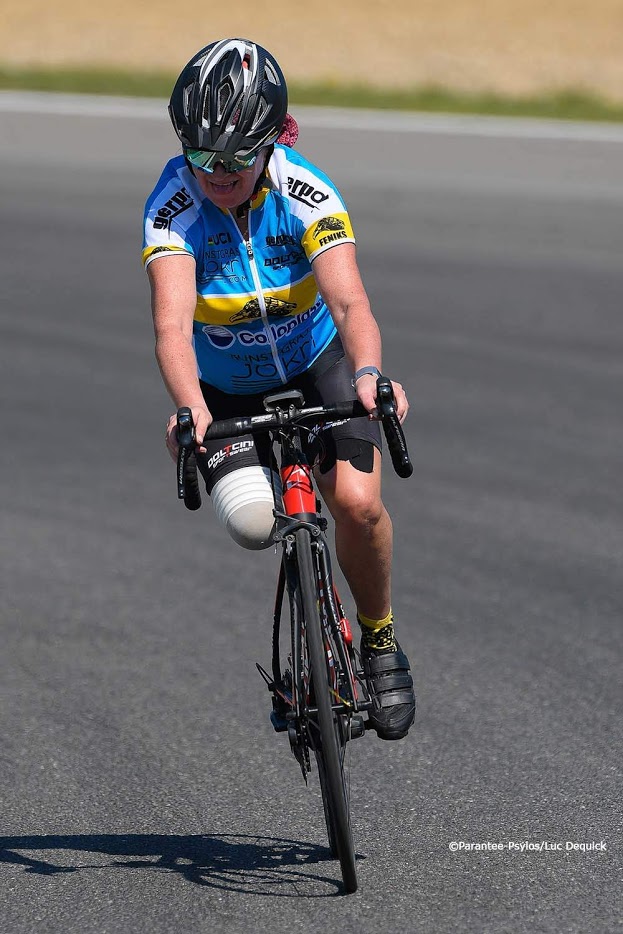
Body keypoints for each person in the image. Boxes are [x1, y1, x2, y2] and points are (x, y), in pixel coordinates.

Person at [142, 38, 415, 741]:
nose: (216, 173)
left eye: (234, 159)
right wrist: (191, 408)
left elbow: (349, 303)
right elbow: (171, 328)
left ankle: (379, 640)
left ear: (271, 142)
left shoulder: (306, 192)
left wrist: (367, 373)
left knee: (357, 505)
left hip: (316, 366)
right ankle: (307, 636)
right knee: (252, 523)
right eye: (200, 157)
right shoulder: (172, 207)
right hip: (226, 392)